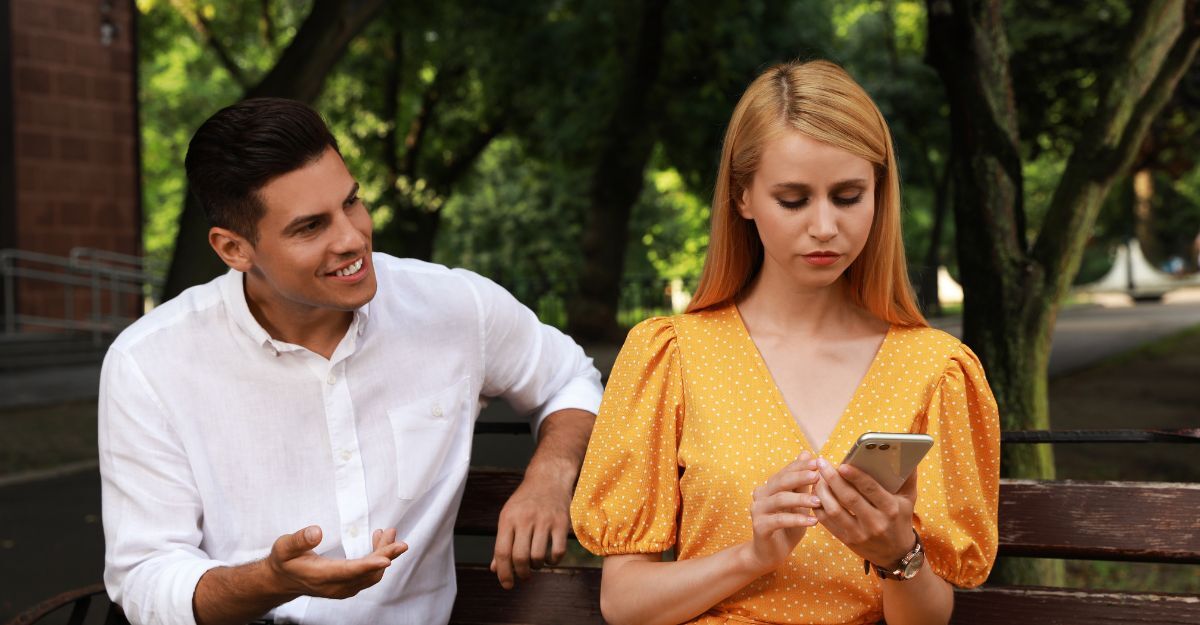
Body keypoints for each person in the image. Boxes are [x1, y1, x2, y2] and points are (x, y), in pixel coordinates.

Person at [99, 98, 602, 625]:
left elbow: (569, 378)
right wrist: (271, 581)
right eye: (310, 227)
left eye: (352, 202)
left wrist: (550, 473)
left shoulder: (454, 307)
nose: (353, 238)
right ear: (234, 249)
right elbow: (147, 578)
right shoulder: (149, 363)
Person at [570, 60, 1000, 625]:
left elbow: (929, 617)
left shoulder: (935, 370)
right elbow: (624, 604)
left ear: (879, 194)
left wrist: (897, 556)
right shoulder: (671, 356)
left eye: (848, 196)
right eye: (793, 200)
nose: (824, 226)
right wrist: (753, 556)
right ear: (743, 198)